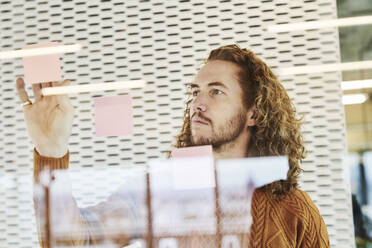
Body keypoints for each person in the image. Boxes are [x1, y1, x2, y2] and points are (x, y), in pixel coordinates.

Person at [16, 44, 330, 247]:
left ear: (253, 113)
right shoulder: (159, 193)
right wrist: (51, 150)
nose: (197, 103)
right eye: (195, 92)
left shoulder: (296, 211)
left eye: (216, 92)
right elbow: (73, 241)